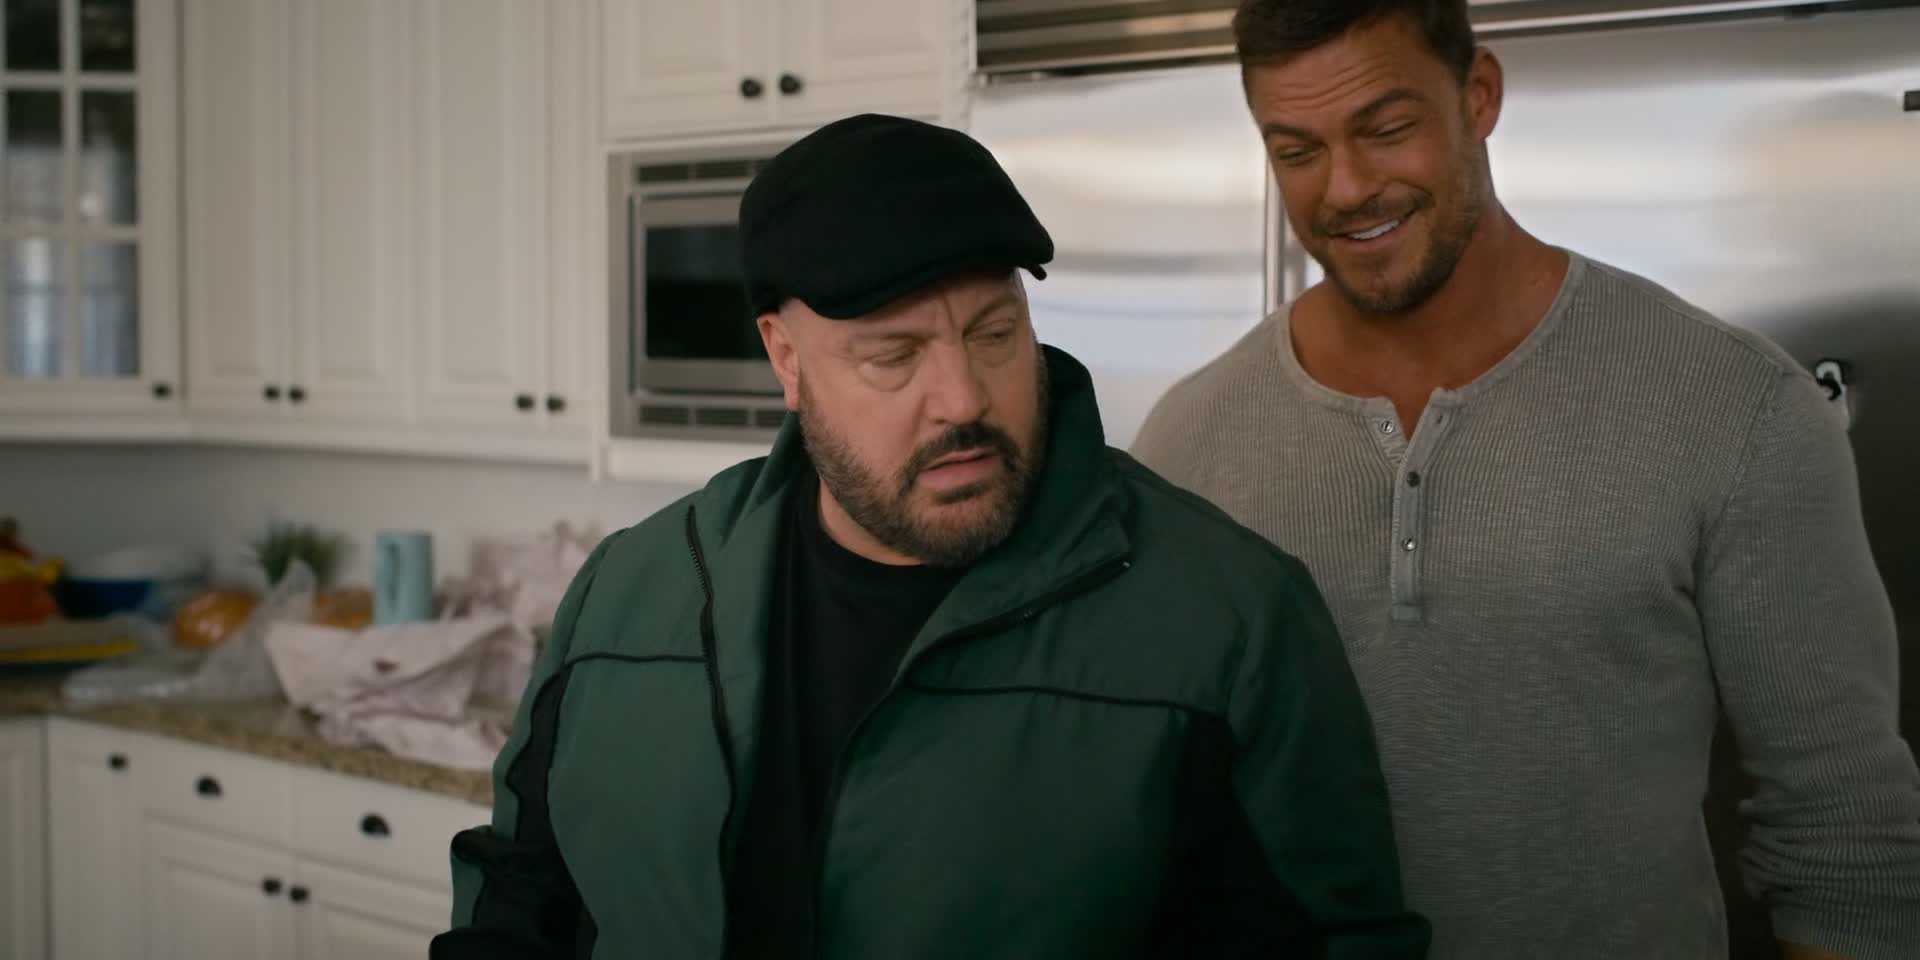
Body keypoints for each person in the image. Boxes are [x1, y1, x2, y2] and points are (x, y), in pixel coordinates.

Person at [430, 113, 1429, 959]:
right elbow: (518, 901)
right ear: (786, 358)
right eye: (894, 356)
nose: (963, 399)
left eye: (995, 333)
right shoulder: (626, 593)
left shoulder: (1231, 620)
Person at [1131, 2, 1920, 958]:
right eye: (1296, 151)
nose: (1345, 188)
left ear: (1479, 95)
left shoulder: (1734, 406)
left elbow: (1848, 835)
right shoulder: (1187, 442)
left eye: (1387, 129)